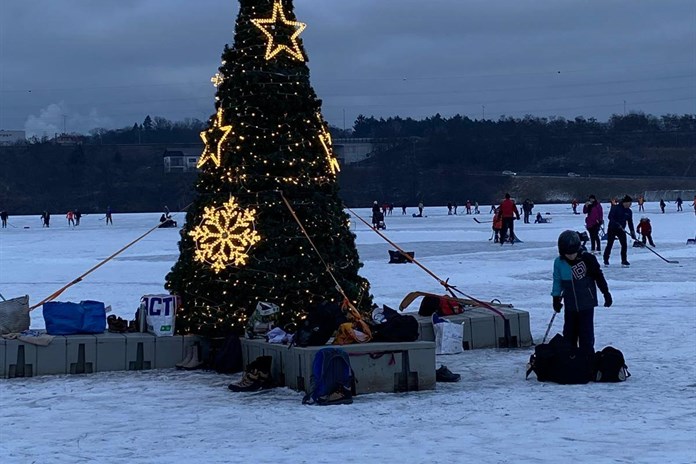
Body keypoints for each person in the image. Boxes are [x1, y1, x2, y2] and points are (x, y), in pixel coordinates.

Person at [552, 230, 612, 355]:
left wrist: (606, 293)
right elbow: (557, 281)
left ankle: (587, 358)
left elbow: (598, 276)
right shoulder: (559, 262)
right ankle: (571, 358)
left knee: (586, 335)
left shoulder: (587, 259)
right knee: (569, 334)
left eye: (573, 253)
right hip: (570, 304)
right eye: (568, 254)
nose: (571, 256)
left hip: (586, 303)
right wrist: (555, 298)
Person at [603, 195, 636, 266]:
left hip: (621, 230)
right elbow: (610, 217)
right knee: (610, 244)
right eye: (629, 203)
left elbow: (630, 222)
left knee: (624, 245)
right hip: (612, 228)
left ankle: (624, 260)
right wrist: (617, 224)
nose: (630, 205)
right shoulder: (615, 208)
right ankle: (606, 259)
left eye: (631, 203)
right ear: (625, 202)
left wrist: (632, 232)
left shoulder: (629, 211)